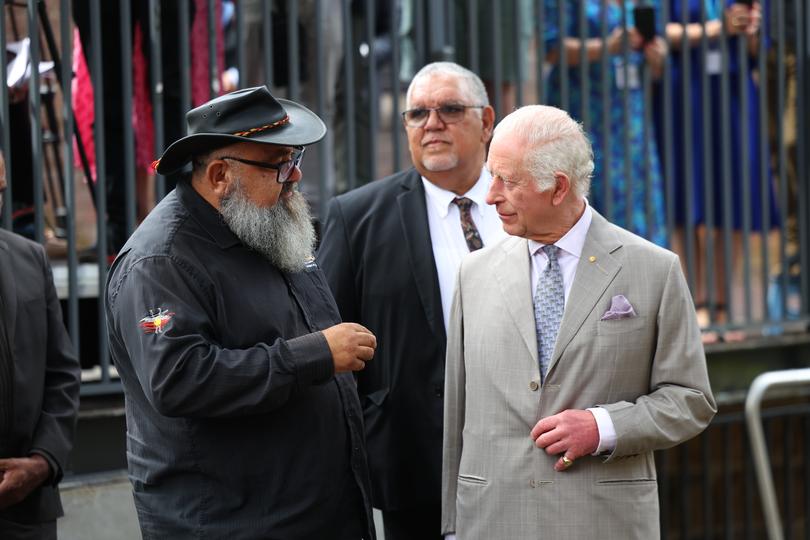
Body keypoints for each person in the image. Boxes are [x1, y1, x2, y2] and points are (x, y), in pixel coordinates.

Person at [105, 86, 377, 539]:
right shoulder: (160, 261)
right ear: (218, 176)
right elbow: (179, 379)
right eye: (278, 164)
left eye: (293, 158)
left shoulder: (264, 222)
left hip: (314, 512)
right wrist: (317, 355)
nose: (294, 176)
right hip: (234, 523)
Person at [441, 105, 716, 539]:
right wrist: (452, 528)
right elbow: (458, 413)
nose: (490, 195)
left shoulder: (654, 270)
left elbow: (691, 399)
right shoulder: (472, 274)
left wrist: (602, 427)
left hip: (603, 522)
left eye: (508, 181)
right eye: (492, 176)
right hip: (491, 520)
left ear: (558, 188)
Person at [318, 61, 503, 540]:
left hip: (525, 449)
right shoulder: (356, 218)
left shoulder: (526, 204)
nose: (432, 123)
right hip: (412, 460)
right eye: (417, 113)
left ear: (486, 122)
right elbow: (330, 340)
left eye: (449, 109)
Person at [0, 150, 82, 539]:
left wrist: (42, 462)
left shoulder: (29, 258)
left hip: (27, 508)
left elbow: (62, 372)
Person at [544, 0, 669, 247]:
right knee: (591, 202)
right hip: (586, 115)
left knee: (641, 206)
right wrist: (607, 47)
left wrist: (658, 56)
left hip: (632, 117)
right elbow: (551, 49)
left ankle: (642, 277)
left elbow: (658, 63)